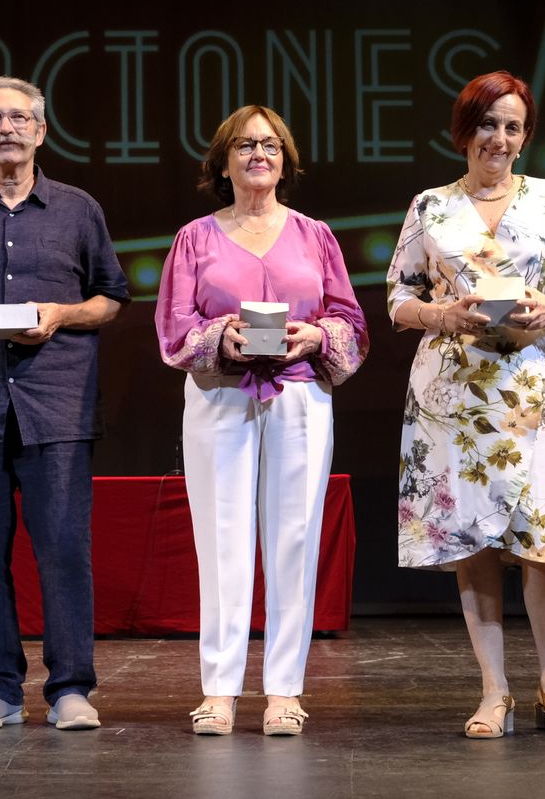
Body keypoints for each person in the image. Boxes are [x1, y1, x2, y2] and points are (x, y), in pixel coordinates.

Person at [387, 71, 545, 738]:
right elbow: (396, 296)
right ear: (466, 129)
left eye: (512, 126)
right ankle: (494, 690)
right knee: (474, 540)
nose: (500, 138)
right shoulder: (430, 205)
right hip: (456, 391)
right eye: (488, 124)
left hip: (537, 388)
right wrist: (438, 312)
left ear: (525, 135)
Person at [155, 106, 369, 736]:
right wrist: (224, 337)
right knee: (220, 540)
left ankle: (284, 689)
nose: (258, 155)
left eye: (271, 146)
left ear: (286, 160)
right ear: (223, 161)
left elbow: (350, 325)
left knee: (295, 537)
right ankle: (219, 689)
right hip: (221, 394)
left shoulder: (315, 235)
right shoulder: (195, 237)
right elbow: (173, 329)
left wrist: (312, 337)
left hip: (299, 396)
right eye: (245, 146)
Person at [0, 77, 128, 732]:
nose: (6, 126)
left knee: (64, 548)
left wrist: (62, 313)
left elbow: (111, 298)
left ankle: (71, 686)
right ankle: (0, 684)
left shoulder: (78, 210)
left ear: (42, 131)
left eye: (19, 117)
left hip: (58, 404)